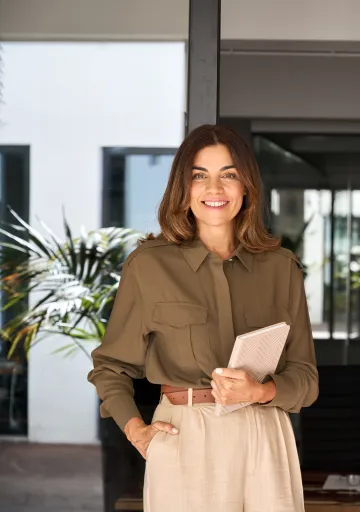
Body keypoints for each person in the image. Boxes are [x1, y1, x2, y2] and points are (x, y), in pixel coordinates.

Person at [88, 124, 318, 511]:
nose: (215, 190)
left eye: (228, 175)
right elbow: (110, 367)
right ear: (184, 187)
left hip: (265, 434)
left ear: (246, 187)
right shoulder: (148, 266)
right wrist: (136, 430)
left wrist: (261, 392)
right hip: (184, 435)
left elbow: (306, 379)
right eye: (200, 176)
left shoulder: (281, 268)